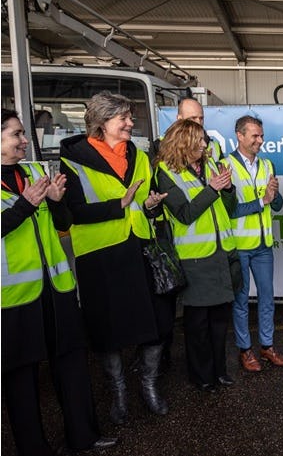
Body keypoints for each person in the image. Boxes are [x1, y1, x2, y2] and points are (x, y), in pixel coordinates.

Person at [1, 110, 118, 455]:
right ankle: (33, 448)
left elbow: (65, 222)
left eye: (23, 134)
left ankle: (84, 437)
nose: (25, 141)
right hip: (14, 297)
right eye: (16, 134)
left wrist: (54, 203)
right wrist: (25, 205)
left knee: (71, 363)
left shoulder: (36, 172)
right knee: (20, 379)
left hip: (57, 288)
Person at [59, 91, 171, 425]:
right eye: (123, 117)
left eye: (129, 116)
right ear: (102, 122)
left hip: (139, 248)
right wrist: (117, 205)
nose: (129, 122)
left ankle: (149, 386)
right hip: (100, 255)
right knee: (108, 329)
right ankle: (119, 392)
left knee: (155, 322)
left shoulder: (137, 153)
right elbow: (72, 213)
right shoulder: (73, 159)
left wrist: (151, 205)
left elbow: (142, 199)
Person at [155, 118, 237, 392]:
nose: (205, 144)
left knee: (219, 323)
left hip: (221, 254)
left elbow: (228, 207)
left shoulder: (211, 165)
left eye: (204, 140)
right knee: (198, 325)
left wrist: (227, 190)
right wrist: (213, 188)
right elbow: (185, 214)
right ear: (184, 143)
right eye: (199, 140)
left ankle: (220, 371)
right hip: (194, 258)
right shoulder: (165, 172)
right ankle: (202, 376)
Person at [223, 116, 283, 372]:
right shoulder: (224, 165)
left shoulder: (267, 164)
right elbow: (229, 211)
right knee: (241, 301)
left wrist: (274, 195)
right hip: (239, 245)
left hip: (263, 245)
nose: (260, 141)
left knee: (267, 298)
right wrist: (262, 201)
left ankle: (267, 346)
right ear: (239, 136)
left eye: (261, 136)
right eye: (255, 136)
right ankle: (245, 350)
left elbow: (277, 204)